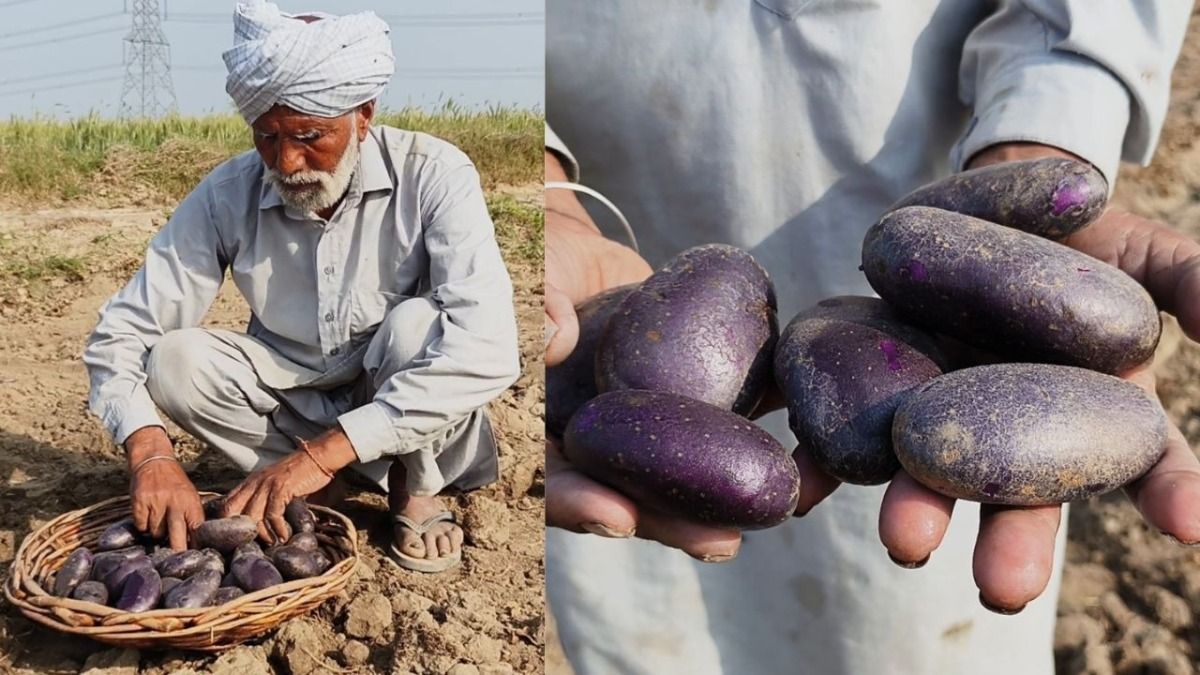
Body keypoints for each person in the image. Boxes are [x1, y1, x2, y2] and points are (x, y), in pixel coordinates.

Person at [544, 2, 1200, 673]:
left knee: (905, 630)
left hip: (905, 223)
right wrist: (537, 189)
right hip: (606, 200)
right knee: (647, 623)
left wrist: (1045, 125)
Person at [83, 0, 520, 574]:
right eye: (267, 137)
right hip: (292, 400)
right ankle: (311, 482)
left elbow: (487, 350)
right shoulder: (227, 194)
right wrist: (149, 452)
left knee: (419, 326)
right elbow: (125, 331)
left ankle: (412, 485)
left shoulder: (434, 174)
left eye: (311, 135)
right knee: (175, 358)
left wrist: (325, 450)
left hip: (396, 398)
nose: (287, 162)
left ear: (363, 115)